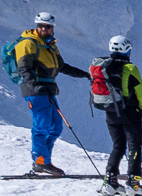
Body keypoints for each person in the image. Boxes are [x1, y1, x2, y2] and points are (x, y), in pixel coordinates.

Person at [10, 12, 87, 175]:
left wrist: (85, 74)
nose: (44, 29)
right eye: (41, 26)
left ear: (52, 28)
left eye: (47, 27)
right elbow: (24, 68)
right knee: (42, 126)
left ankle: (45, 161)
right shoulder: (28, 43)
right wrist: (34, 86)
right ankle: (40, 161)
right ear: (37, 26)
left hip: (48, 90)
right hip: (35, 91)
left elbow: (62, 66)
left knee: (55, 127)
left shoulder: (50, 45)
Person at [92, 35, 142, 195]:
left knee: (118, 146)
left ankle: (111, 183)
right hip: (129, 112)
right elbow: (141, 92)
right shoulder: (130, 68)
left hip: (110, 111)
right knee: (134, 146)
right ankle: (133, 184)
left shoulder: (103, 67)